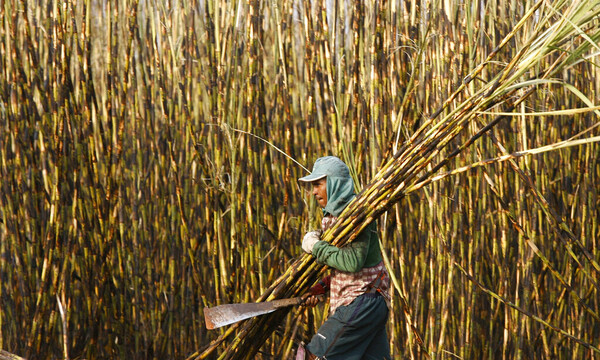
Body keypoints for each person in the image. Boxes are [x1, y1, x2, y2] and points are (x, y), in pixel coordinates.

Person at [296, 156, 391, 360]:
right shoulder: (338, 219)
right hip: (370, 302)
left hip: (362, 301)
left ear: (334, 183)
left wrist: (316, 247)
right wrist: (322, 286)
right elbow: (356, 270)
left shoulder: (356, 215)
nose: (314, 191)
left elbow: (352, 262)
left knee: (312, 356)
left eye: (318, 184)